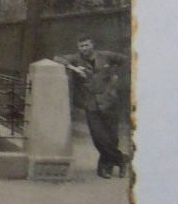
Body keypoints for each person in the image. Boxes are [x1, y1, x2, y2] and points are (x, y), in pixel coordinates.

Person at [54, 34, 129, 179]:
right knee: (98, 137)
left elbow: (125, 60)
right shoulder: (76, 59)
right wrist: (73, 68)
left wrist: (117, 77)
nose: (84, 48)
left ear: (92, 45)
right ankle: (121, 159)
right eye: (81, 46)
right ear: (78, 48)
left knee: (112, 136)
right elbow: (57, 58)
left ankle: (105, 168)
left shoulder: (105, 56)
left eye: (87, 45)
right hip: (90, 103)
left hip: (109, 100)